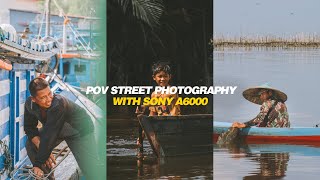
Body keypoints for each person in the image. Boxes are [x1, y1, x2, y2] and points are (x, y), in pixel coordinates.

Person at [24, 77, 104, 179]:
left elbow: (50, 134)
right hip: (58, 130)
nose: (48, 99)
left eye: (49, 94)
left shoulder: (58, 104)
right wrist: (40, 145)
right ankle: (47, 176)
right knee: (31, 144)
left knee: (91, 170)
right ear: (33, 99)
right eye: (43, 97)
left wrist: (38, 163)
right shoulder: (29, 104)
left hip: (79, 131)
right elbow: (29, 127)